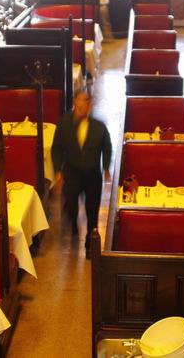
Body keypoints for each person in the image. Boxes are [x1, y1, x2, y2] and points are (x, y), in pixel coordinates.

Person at [51, 92, 112, 257]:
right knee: (70, 204)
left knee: (92, 210)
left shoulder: (99, 126)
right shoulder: (64, 124)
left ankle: (90, 244)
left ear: (90, 105)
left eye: (85, 102)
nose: (82, 105)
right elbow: (56, 148)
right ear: (74, 102)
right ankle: (74, 226)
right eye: (79, 101)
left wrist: (106, 167)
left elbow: (107, 146)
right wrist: (58, 170)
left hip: (93, 175)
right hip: (71, 173)